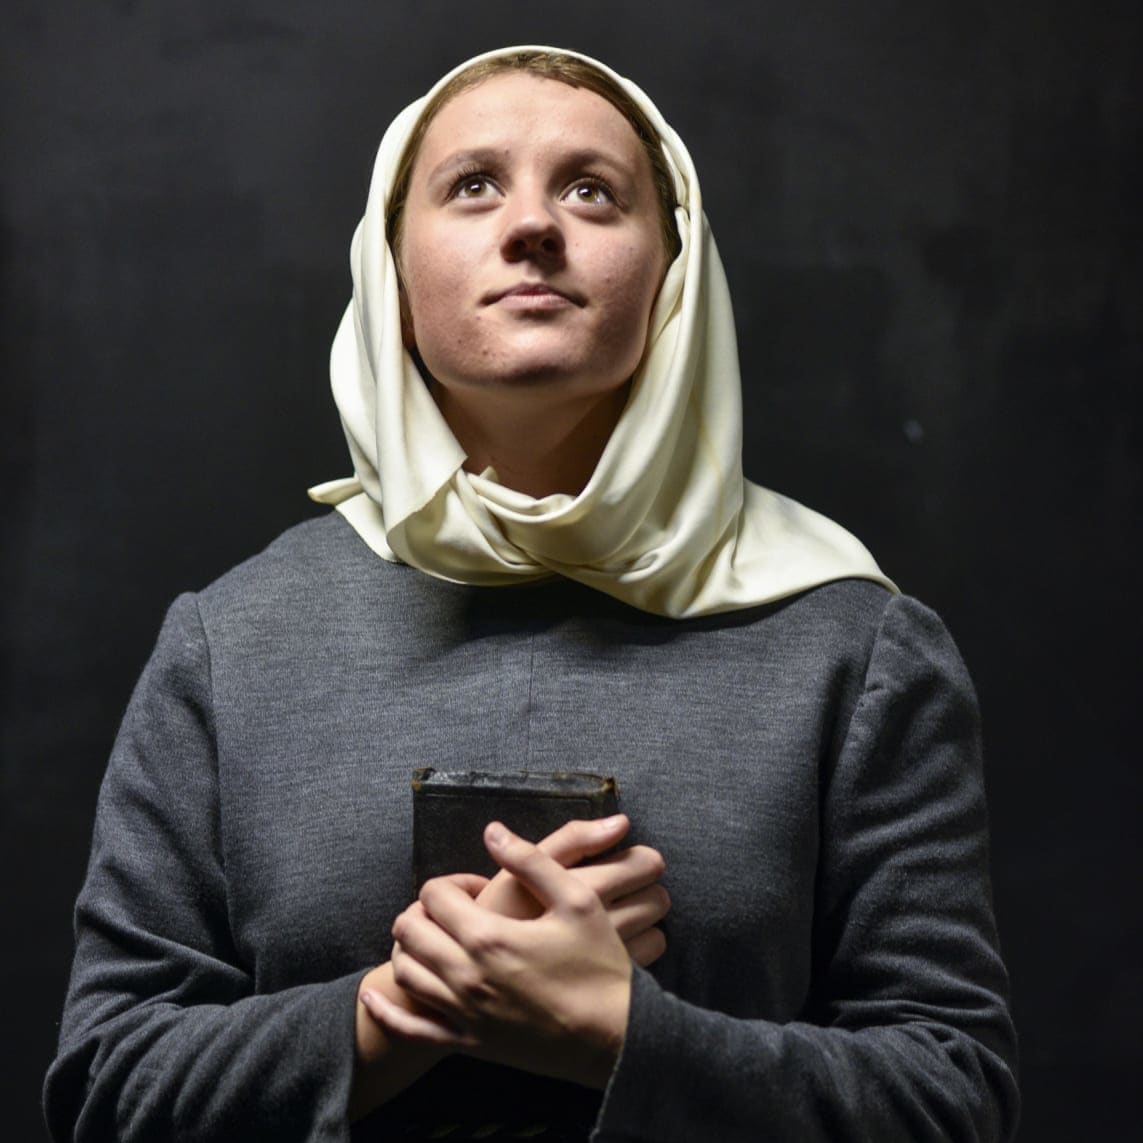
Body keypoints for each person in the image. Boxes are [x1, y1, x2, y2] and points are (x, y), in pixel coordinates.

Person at [44, 45, 1019, 1142]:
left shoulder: (853, 643)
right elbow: (108, 1084)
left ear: (674, 271)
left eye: (592, 191)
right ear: (390, 270)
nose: (532, 226)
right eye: (472, 185)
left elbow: (951, 1095)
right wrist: (411, 1006)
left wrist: (618, 1029)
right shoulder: (230, 643)